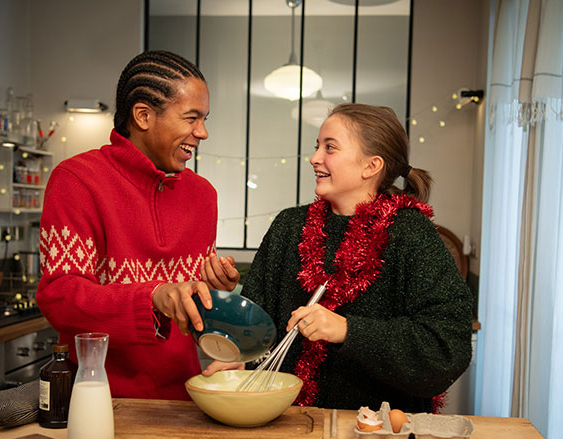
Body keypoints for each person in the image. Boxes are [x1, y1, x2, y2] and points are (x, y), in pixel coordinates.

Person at [212, 103, 473, 413]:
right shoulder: (288, 227)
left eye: (330, 148)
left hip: (378, 435)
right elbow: (255, 328)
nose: (314, 158)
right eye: (317, 146)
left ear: (371, 166)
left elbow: (447, 348)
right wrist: (237, 357)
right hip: (284, 423)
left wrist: (347, 330)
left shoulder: (412, 235)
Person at [36, 50, 239, 400]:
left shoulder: (203, 195)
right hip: (100, 399)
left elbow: (188, 308)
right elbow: (60, 299)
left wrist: (212, 287)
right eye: (191, 118)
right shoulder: (77, 181)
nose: (202, 132)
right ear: (143, 116)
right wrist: (153, 296)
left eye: (204, 119)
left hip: (187, 399)